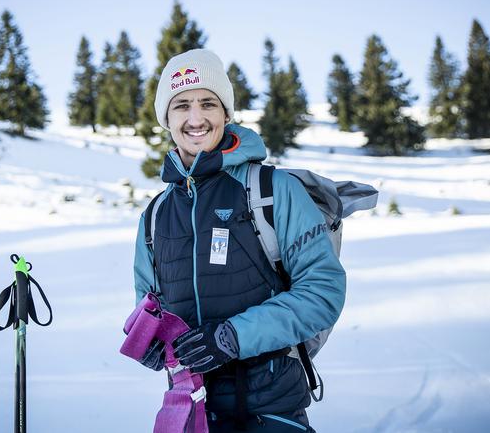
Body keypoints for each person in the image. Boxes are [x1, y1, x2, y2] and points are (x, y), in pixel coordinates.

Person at [133, 48, 346, 432]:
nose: (195, 118)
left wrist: (233, 337)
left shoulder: (272, 190)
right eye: (181, 105)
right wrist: (150, 340)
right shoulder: (155, 215)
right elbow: (149, 306)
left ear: (226, 114)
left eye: (207, 103)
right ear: (166, 117)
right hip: (192, 409)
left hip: (272, 408)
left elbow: (322, 292)